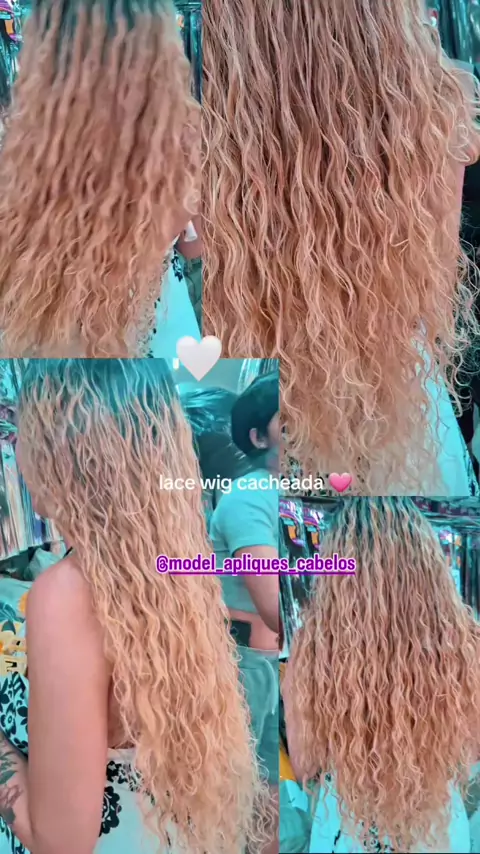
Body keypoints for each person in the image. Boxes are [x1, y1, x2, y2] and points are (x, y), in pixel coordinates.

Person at [203, 0, 480, 494]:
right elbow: (433, 291)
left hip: (265, 382)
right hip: (386, 384)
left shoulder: (203, 111)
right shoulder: (435, 101)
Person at [0, 359, 265, 854]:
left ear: (64, 450)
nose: (14, 447)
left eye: (22, 430)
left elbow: (59, 843)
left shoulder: (68, 594)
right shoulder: (172, 562)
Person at [0, 0, 200, 358]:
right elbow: (195, 248)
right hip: (158, 335)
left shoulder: (22, 154)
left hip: (55, 339)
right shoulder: (182, 149)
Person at [283, 497, 480, 853]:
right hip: (435, 825)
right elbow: (470, 754)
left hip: (347, 825)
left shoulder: (311, 650)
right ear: (428, 563)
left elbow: (305, 765)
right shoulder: (467, 646)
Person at [209, 371, 281, 854]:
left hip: (270, 663)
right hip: (250, 667)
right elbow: (276, 607)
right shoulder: (249, 498)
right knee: (249, 793)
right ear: (258, 437)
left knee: (269, 790)